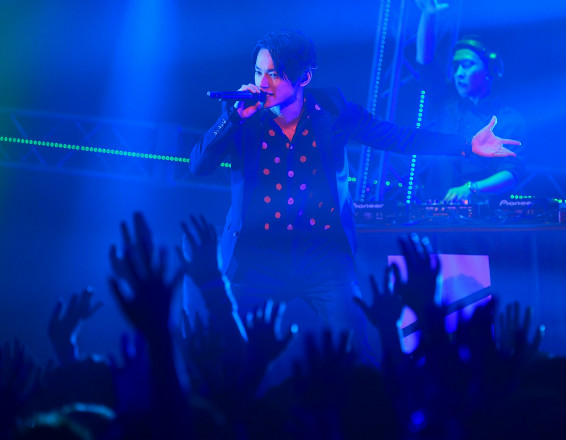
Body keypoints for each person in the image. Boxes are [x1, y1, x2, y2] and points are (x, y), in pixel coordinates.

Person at [187, 29, 519, 368]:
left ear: (304, 77)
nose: (263, 83)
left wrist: (467, 145)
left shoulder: (333, 110)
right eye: (259, 72)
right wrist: (230, 119)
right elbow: (198, 165)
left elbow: (397, 137)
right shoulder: (241, 116)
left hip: (323, 256)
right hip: (258, 257)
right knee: (231, 355)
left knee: (359, 354)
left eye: (274, 74)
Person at [415, 0, 527, 203]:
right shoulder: (445, 101)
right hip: (432, 212)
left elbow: (511, 174)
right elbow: (425, 60)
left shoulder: (508, 120)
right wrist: (428, 15)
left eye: (467, 65)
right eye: (456, 66)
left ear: (489, 71)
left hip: (480, 217)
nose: (459, 73)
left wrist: (472, 189)